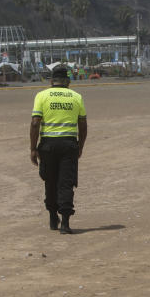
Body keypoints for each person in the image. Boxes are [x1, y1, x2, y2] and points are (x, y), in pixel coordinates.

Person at [29, 65, 87, 234]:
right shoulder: (76, 97)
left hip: (48, 145)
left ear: (51, 81)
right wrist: (80, 146)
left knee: (50, 181)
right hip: (69, 145)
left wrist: (33, 148)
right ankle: (66, 223)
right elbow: (82, 124)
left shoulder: (42, 96)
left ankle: (53, 217)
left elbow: (34, 123)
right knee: (66, 183)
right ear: (68, 81)